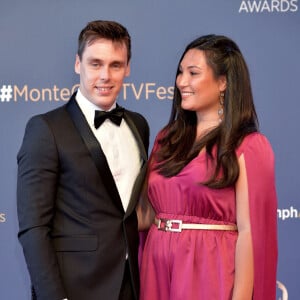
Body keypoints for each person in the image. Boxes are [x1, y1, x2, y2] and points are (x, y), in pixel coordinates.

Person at [137, 34, 278, 300]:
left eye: (193, 73)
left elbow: (250, 234)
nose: (181, 82)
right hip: (156, 268)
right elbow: (146, 215)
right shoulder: (166, 138)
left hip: (208, 269)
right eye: (180, 73)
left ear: (223, 82)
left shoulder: (248, 145)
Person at [17, 20, 149, 300]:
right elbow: (34, 228)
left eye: (116, 65)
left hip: (130, 285)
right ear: (78, 64)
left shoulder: (139, 126)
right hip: (74, 288)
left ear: (128, 68)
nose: (105, 75)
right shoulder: (46, 129)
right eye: (95, 63)